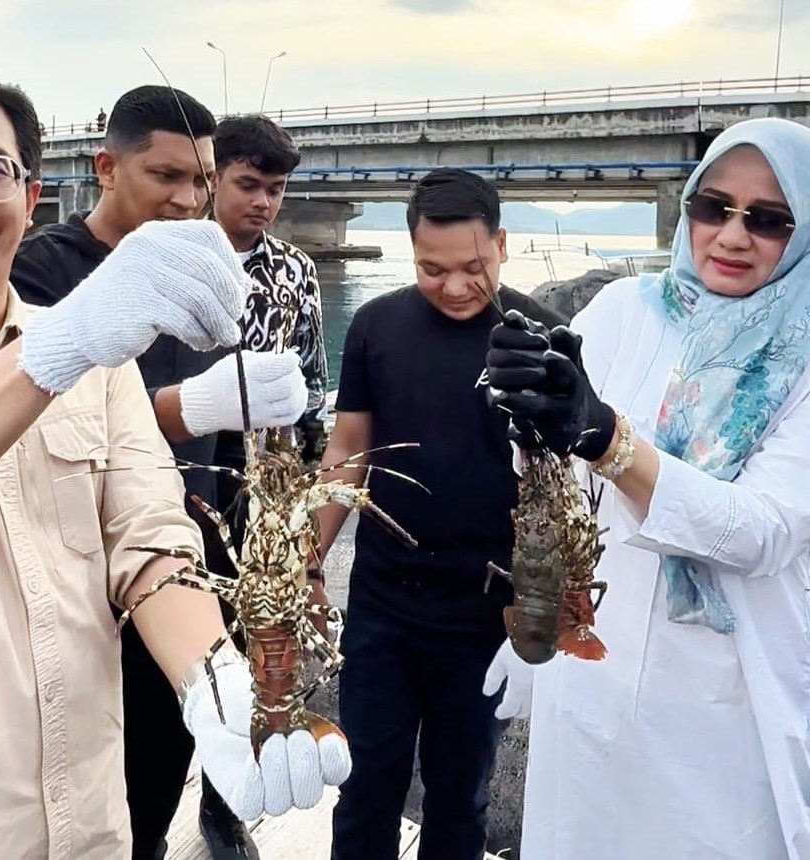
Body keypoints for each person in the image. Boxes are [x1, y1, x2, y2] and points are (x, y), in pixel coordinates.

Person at [0, 56, 348, 860]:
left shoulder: (103, 368)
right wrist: (51, 355)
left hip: (89, 830)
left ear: (27, 192)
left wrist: (210, 675)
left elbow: (153, 545)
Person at [483, 117, 810, 860]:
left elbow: (762, 530)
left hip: (727, 701)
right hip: (591, 672)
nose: (730, 235)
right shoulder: (627, 310)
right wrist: (523, 406)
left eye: (768, 220)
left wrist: (604, 435)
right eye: (712, 206)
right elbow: (543, 470)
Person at [11, 86, 307, 860]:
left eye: (202, 180)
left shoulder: (203, 266)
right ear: (106, 167)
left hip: (195, 567)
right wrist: (192, 404)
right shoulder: (41, 271)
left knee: (167, 754)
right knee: (86, 779)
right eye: (166, 177)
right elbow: (26, 414)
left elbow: (224, 439)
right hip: (83, 580)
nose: (188, 200)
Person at [315, 167, 566, 860]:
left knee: (462, 794)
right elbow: (349, 447)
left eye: (473, 268)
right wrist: (306, 561)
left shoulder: (542, 336)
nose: (454, 286)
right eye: (432, 269)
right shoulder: (375, 326)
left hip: (486, 614)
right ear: (410, 251)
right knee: (367, 782)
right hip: (383, 605)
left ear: (503, 245)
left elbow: (566, 474)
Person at [210, 114, 330, 640]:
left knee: (261, 625)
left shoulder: (297, 270)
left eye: (275, 189)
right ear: (212, 178)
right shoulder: (174, 259)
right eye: (249, 185)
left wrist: (305, 501)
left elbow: (312, 385)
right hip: (184, 463)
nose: (263, 202)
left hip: (268, 475)